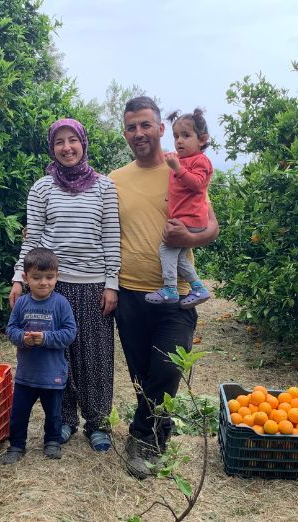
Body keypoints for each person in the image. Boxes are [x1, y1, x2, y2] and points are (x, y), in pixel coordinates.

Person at [108, 96, 219, 479]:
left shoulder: (181, 168)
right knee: (141, 373)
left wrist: (191, 236)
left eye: (145, 125)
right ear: (125, 133)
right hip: (130, 293)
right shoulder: (114, 180)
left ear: (159, 128)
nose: (139, 133)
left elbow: (211, 227)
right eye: (131, 127)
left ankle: (146, 437)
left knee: (167, 368)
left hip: (177, 297)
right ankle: (151, 433)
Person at [8, 118, 120, 453]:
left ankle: (97, 423)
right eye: (59, 142)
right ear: (52, 148)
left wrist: (111, 283)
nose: (67, 147)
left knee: (96, 357)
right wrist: (19, 277)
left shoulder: (104, 187)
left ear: (83, 143)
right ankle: (65, 419)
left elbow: (111, 237)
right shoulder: (42, 188)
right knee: (60, 355)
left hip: (94, 283)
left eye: (73, 140)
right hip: (53, 287)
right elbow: (33, 238)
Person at [2, 248, 77, 464]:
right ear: (25, 278)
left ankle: (52, 441)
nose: (43, 282)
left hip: (52, 373)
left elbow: (69, 333)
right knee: (19, 413)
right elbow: (11, 329)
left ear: (57, 277)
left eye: (49, 277)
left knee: (53, 412)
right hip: (26, 374)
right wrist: (22, 339)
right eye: (36, 278)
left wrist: (45, 338)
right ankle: (17, 445)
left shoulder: (61, 303)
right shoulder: (22, 303)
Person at [145, 108, 213, 308]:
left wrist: (177, 168)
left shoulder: (201, 160)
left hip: (190, 219)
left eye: (186, 135)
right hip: (184, 218)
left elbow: (198, 184)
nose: (179, 141)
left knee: (165, 249)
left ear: (202, 140)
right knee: (180, 258)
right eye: (176, 136)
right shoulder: (183, 160)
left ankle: (170, 289)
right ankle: (199, 288)